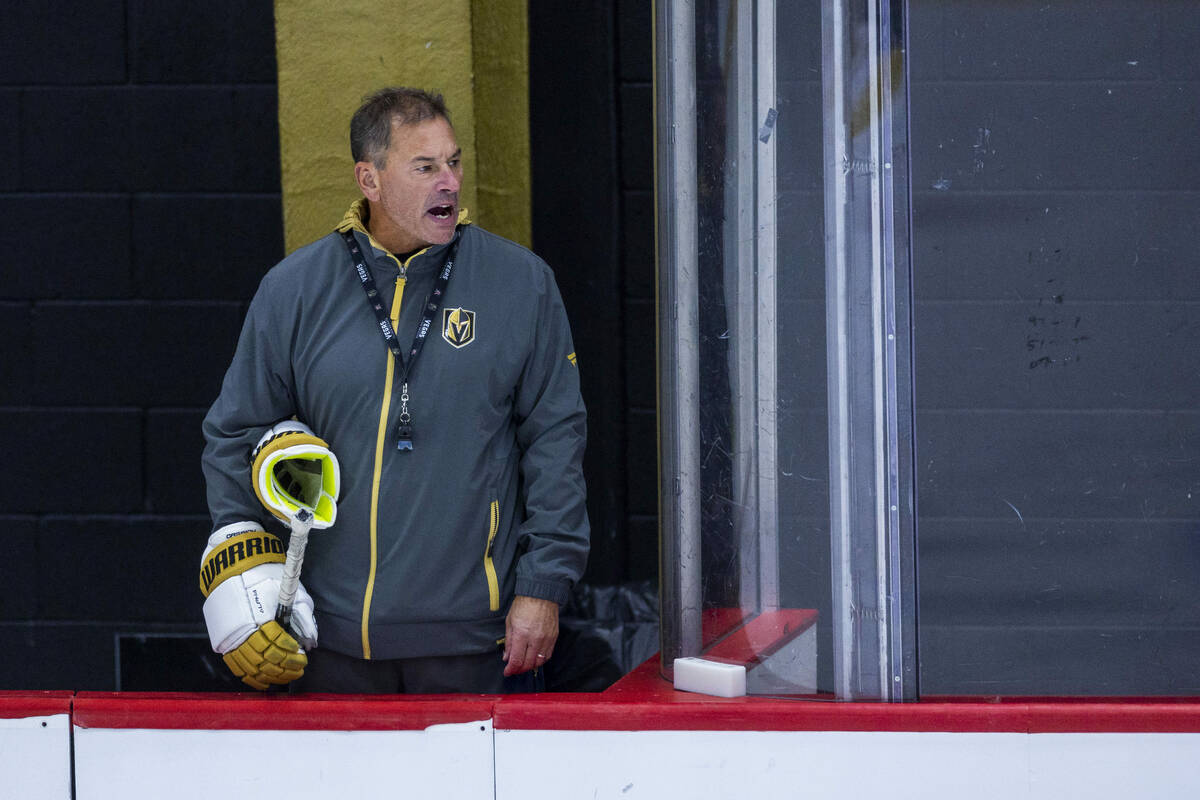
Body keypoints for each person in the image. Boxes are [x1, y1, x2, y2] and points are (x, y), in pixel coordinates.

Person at [198, 87, 589, 693]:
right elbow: (235, 434)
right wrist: (242, 579)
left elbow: (556, 443)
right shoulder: (294, 289)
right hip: (326, 641)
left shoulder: (521, 284)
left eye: (454, 163)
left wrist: (544, 587)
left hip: (474, 641)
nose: (449, 183)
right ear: (370, 178)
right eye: (425, 167)